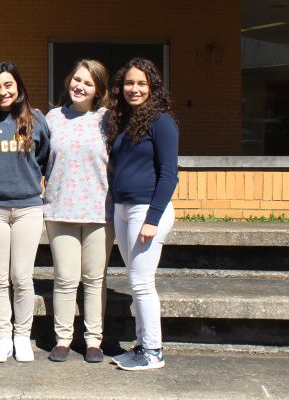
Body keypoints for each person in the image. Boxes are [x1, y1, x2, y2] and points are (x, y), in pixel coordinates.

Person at [0, 61, 50, 363]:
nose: (2, 92)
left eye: (8, 85)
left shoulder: (35, 120)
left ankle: (22, 336)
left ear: (18, 87)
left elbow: (43, 159)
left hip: (29, 208)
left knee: (22, 276)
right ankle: (3, 337)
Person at [107, 58, 179, 371]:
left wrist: (152, 219)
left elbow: (169, 175)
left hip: (146, 211)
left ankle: (153, 351)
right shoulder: (125, 120)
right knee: (136, 281)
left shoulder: (162, 122)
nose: (134, 89)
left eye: (141, 84)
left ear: (153, 87)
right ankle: (141, 346)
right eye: (129, 83)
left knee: (142, 283)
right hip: (124, 210)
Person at [43, 60, 114, 363]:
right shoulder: (52, 118)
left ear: (98, 89)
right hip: (60, 208)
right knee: (65, 278)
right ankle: (62, 339)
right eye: (76, 79)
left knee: (95, 278)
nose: (79, 86)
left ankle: (94, 340)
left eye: (87, 82)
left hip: (100, 210)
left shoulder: (109, 120)